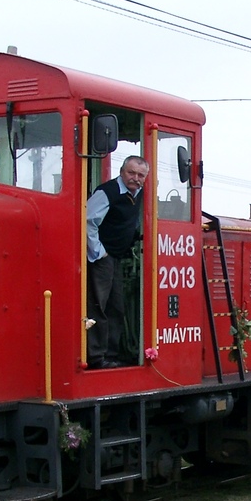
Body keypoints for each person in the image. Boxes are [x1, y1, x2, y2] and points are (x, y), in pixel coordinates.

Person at [85, 155, 149, 368]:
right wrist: (99, 252)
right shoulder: (107, 192)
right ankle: (96, 357)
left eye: (140, 175)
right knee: (98, 306)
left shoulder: (139, 194)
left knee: (116, 306)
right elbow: (87, 220)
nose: (136, 178)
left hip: (117, 257)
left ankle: (111, 355)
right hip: (102, 258)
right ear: (122, 172)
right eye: (131, 173)